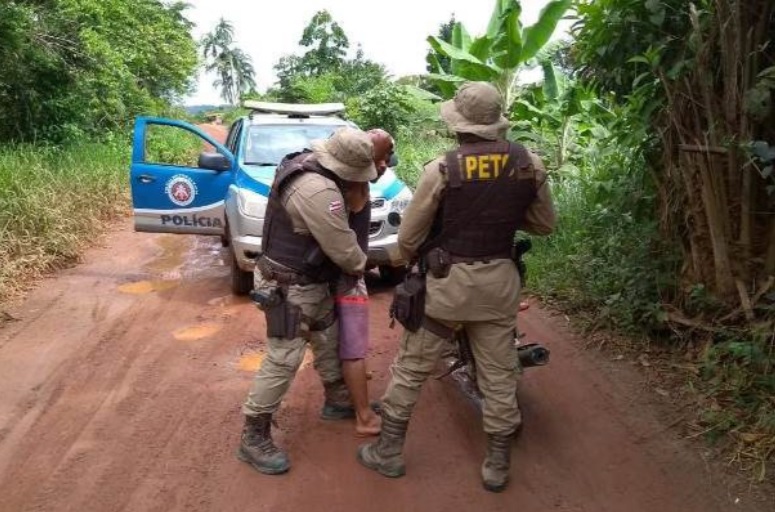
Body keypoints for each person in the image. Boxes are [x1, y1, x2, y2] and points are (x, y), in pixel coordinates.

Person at [356, 82, 556, 492]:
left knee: (411, 368)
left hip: (445, 290)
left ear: (458, 124)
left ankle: (389, 452)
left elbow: (409, 238)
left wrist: (408, 260)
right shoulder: (528, 163)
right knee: (500, 373)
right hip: (499, 287)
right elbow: (543, 224)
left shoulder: (443, 169)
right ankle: (497, 464)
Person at [237, 127, 379, 475]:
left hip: (311, 282)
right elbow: (346, 252)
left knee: (328, 339)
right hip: (289, 287)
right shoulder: (316, 189)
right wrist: (370, 265)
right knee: (285, 357)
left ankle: (338, 399)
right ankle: (253, 433)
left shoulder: (312, 168)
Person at [337, 128, 395, 436]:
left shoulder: (337, 182)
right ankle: (364, 416)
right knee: (354, 349)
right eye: (379, 157)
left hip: (335, 275)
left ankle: (340, 400)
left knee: (340, 345)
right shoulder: (354, 187)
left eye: (388, 156)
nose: (385, 164)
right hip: (348, 279)